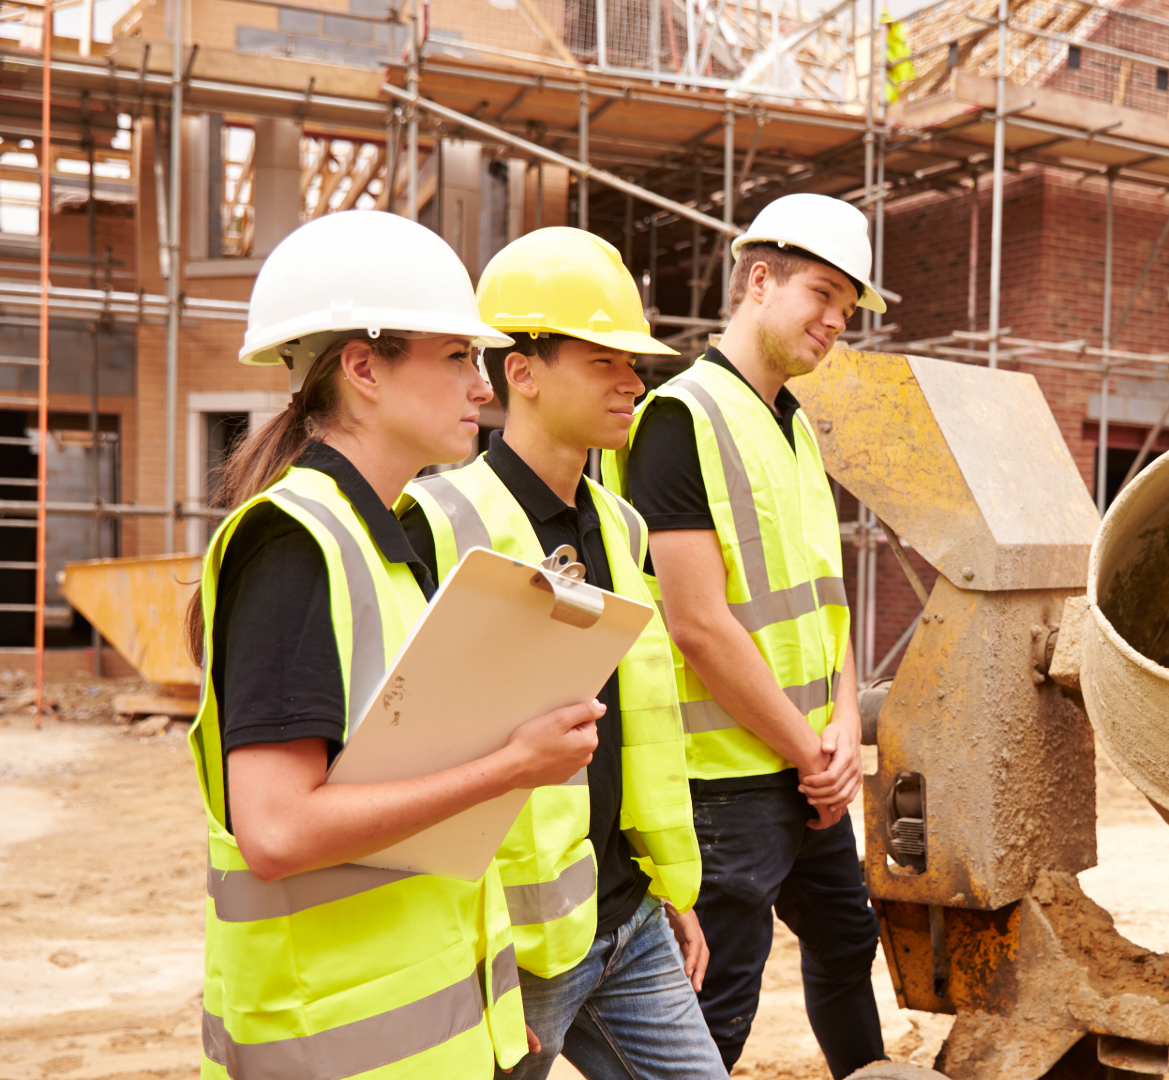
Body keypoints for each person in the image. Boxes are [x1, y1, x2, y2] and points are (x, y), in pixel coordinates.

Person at [189, 210, 603, 1078]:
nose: (483, 388)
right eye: (457, 357)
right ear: (364, 368)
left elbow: (407, 817)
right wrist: (511, 766)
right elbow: (276, 829)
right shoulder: (295, 545)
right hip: (328, 1047)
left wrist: (486, 1010)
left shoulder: (379, 540)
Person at [399, 226, 726, 1080]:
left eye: (635, 363)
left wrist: (663, 887)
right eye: (604, 361)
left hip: (629, 919)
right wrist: (471, 954)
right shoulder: (436, 523)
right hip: (515, 943)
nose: (633, 382)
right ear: (524, 371)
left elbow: (634, 728)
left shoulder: (621, 525)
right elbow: (411, 747)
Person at [601, 193, 888, 1079]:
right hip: (724, 783)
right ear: (759, 281)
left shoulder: (795, 424)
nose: (838, 320)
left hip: (806, 768)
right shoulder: (676, 419)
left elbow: (824, 604)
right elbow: (697, 623)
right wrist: (813, 751)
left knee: (847, 942)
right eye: (823, 294)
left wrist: (842, 732)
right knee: (716, 1009)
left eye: (849, 306)